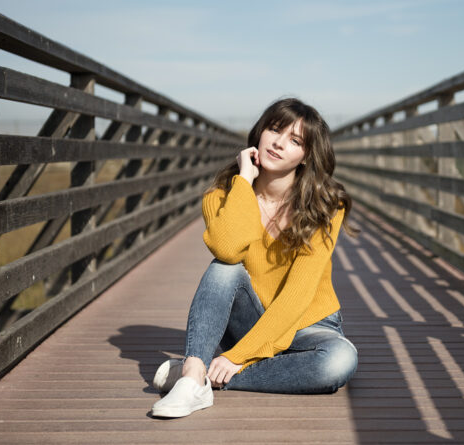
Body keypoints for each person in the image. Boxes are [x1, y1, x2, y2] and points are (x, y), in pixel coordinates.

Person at [151, 98, 359, 418]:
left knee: (340, 360)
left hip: (308, 324)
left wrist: (239, 357)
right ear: (259, 133)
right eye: (274, 130)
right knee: (225, 269)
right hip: (252, 319)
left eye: (295, 141)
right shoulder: (222, 194)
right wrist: (245, 182)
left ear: (305, 157)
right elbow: (227, 250)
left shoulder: (325, 206)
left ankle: (198, 377)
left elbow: (297, 296)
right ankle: (195, 372)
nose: (278, 143)